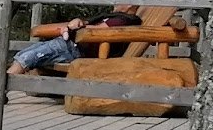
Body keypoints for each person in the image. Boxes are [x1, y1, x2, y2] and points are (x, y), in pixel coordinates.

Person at [8, 8, 144, 79]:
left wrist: (74, 27)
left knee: (29, 56)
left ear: (130, 5)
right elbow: (88, 25)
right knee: (26, 54)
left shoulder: (122, 21)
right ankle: (2, 86)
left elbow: (98, 31)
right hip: (69, 45)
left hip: (74, 49)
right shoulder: (115, 18)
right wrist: (78, 21)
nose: (116, 1)